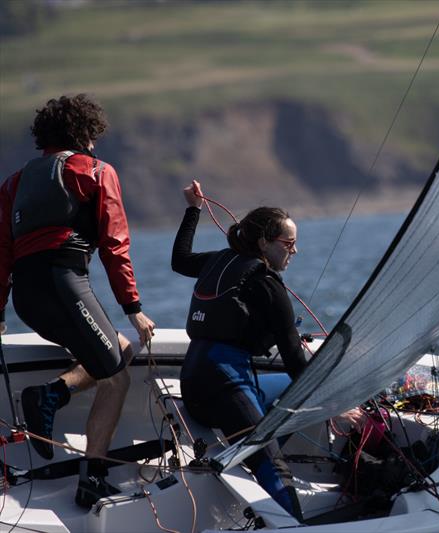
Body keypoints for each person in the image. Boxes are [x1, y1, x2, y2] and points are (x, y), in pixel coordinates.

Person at [0, 94, 156, 508]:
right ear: (86, 133)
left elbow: (2, 255)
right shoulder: (95, 170)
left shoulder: (13, 183)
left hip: (28, 299)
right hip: (65, 284)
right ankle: (93, 477)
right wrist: (133, 308)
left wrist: (0, 311)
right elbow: (115, 245)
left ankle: (52, 394)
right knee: (117, 375)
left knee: (115, 349)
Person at [173, 181, 362, 521]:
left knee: (285, 392)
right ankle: (292, 523)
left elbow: (180, 260)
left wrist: (193, 209)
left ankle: (257, 451)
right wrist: (332, 407)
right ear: (264, 242)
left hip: (194, 381)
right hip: (224, 387)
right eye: (289, 243)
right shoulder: (268, 285)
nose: (295, 251)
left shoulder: (220, 260)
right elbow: (294, 361)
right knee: (273, 466)